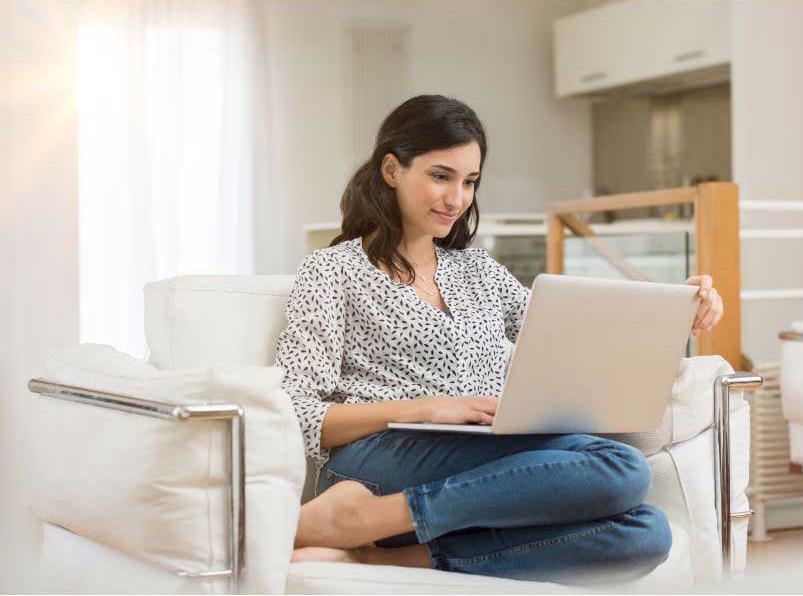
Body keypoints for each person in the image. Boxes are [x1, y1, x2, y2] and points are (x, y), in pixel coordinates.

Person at [274, 94, 724, 584]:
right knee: (623, 468)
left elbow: (576, 331)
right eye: (440, 176)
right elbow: (296, 412)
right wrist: (423, 408)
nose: (457, 199)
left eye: (470, 182)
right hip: (379, 461)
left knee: (645, 533)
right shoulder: (332, 270)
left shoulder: (477, 270)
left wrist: (677, 308)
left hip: (486, 456)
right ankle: (366, 513)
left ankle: (375, 549)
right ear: (391, 170)